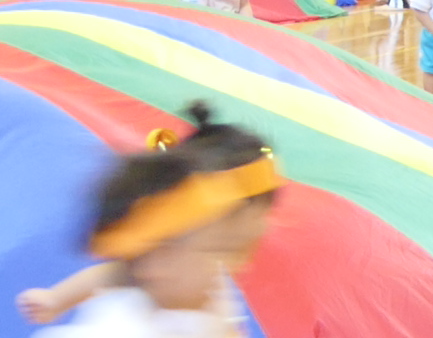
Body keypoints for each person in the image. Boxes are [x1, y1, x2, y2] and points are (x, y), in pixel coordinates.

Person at [26, 132, 279, 337]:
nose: (230, 263)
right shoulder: (122, 325)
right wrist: (55, 299)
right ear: (159, 261)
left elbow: (224, 327)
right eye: (218, 250)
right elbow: (106, 276)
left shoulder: (204, 286)